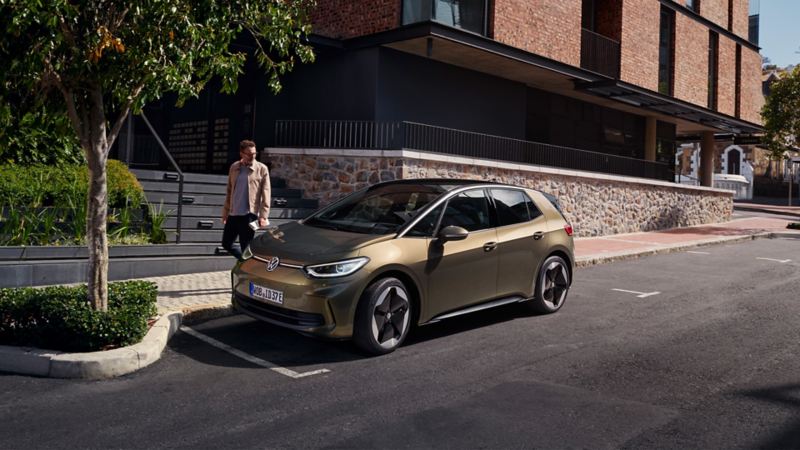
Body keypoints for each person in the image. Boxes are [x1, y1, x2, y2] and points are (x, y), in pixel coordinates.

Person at [221, 140, 271, 260]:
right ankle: (245, 262)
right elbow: (229, 191)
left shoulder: (262, 169)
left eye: (254, 153)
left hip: (249, 215)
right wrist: (225, 212)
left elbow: (266, 192)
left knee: (246, 247)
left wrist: (263, 215)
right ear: (241, 154)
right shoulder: (234, 167)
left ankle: (246, 269)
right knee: (226, 244)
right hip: (233, 214)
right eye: (249, 154)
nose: (253, 156)